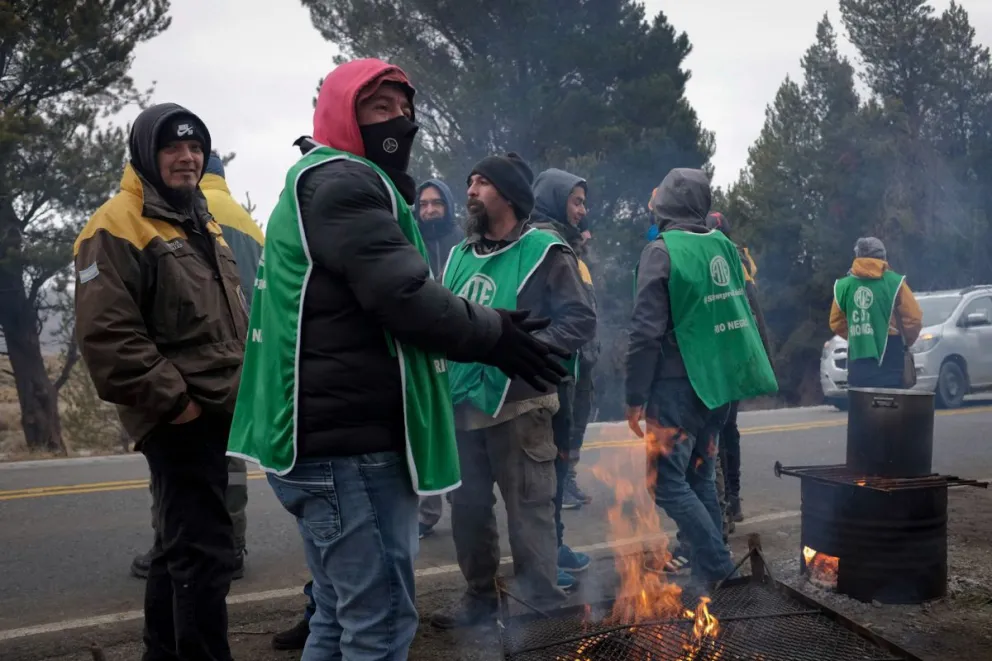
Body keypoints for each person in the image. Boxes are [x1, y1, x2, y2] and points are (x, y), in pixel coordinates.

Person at [227, 59, 569, 661]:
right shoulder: (345, 182)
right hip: (349, 447)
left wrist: (486, 327)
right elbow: (403, 295)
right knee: (380, 629)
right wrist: (494, 334)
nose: (399, 122)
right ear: (341, 114)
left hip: (322, 439)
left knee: (337, 620)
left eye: (405, 111)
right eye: (380, 108)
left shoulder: (319, 180)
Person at [74, 104, 246, 661]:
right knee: (206, 554)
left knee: (178, 552)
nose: (187, 157)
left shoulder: (200, 219)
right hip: (181, 416)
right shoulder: (115, 225)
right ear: (147, 153)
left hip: (217, 408)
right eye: (173, 147)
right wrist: (178, 407)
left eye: (196, 147)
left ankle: (162, 652)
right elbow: (109, 339)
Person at [431, 153, 596, 629]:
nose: (470, 191)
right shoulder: (459, 255)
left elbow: (581, 320)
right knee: (468, 512)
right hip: (462, 404)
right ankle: (480, 599)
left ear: (508, 194)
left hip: (521, 404)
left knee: (529, 514)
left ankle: (539, 608)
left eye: (481, 182)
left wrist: (523, 347)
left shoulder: (546, 251)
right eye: (470, 181)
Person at [625, 168, 777, 588]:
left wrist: (635, 394)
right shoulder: (725, 248)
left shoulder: (661, 251)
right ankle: (718, 571)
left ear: (665, 205)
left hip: (678, 388)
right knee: (699, 476)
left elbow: (645, 332)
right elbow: (744, 310)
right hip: (720, 390)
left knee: (666, 483)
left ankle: (717, 570)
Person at [129, 151, 262, 582]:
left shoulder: (182, 214)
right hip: (246, 351)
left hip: (195, 353)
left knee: (177, 466)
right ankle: (233, 543)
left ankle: (169, 545)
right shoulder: (246, 219)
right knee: (232, 460)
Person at [529, 167, 598, 582]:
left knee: (556, 470)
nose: (582, 210)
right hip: (550, 374)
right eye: (576, 201)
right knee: (543, 476)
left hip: (571, 372)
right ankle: (543, 563)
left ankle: (553, 546)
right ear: (555, 200)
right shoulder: (543, 244)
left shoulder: (568, 246)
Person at [704, 211, 771, 527]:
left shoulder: (708, 261)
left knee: (715, 430)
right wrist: (763, 359)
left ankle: (722, 506)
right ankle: (733, 500)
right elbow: (756, 314)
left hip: (716, 359)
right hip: (736, 358)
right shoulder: (739, 262)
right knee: (729, 429)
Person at [414, 177, 463, 540]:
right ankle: (427, 512)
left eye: (436, 203)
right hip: (422, 350)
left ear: (448, 207)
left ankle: (465, 506)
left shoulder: (461, 245)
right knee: (427, 434)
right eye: (424, 204)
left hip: (458, 351)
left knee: (460, 433)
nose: (429, 210)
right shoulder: (409, 242)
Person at [829, 237, 922, 388]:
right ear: (883, 257)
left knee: (862, 406)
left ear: (857, 256)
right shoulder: (895, 282)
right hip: (891, 355)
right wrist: (904, 341)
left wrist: (859, 335)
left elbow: (836, 322)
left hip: (858, 357)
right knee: (893, 406)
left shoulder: (843, 286)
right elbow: (914, 319)